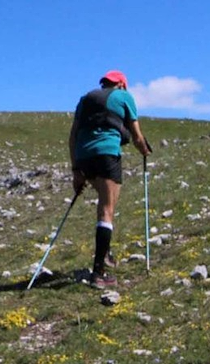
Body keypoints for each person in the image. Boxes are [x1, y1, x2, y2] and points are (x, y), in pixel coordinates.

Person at [68, 70, 151, 288]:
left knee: (105, 203)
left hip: (83, 156)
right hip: (106, 153)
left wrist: (76, 170)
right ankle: (99, 273)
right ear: (122, 84)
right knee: (107, 208)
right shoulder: (125, 97)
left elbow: (73, 135)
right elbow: (136, 135)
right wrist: (144, 149)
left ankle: (105, 254)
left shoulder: (85, 99)